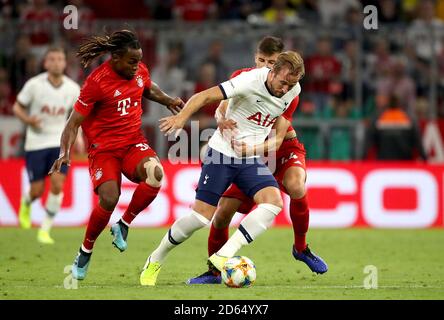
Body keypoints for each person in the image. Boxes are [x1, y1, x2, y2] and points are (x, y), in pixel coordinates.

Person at [140, 51, 305, 286]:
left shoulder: (293, 91)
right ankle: (155, 258)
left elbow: (278, 139)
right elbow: (203, 96)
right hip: (221, 154)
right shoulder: (250, 81)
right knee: (199, 218)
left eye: (292, 84)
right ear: (273, 71)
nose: (286, 89)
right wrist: (182, 118)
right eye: (283, 82)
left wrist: (253, 148)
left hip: (249, 158)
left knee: (273, 202)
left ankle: (224, 254)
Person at [187, 36, 328, 285]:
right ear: (256, 58)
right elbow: (222, 105)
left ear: (282, 65)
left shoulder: (289, 88)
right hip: (249, 154)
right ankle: (214, 272)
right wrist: (221, 121)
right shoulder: (244, 78)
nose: (265, 66)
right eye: (262, 60)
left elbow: (278, 137)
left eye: (271, 62)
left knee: (296, 186)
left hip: (277, 148)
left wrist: (250, 147)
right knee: (222, 215)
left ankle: (301, 248)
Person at [49, 30, 184, 280]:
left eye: (138, 60)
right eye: (132, 61)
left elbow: (147, 86)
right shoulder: (96, 82)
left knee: (156, 173)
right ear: (116, 58)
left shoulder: (138, 70)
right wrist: (65, 152)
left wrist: (167, 100)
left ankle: (123, 224)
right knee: (110, 198)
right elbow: (72, 123)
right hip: (105, 150)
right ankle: (85, 251)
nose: (137, 66)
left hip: (133, 143)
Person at [13, 47, 81, 245]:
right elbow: (17, 107)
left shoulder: (72, 88)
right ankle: (26, 202)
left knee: (58, 185)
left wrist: (79, 139)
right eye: (52, 59)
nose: (57, 62)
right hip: (36, 143)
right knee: (37, 190)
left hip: (60, 144)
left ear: (64, 63)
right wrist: (28, 120)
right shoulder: (34, 85)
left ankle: (45, 229)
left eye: (60, 59)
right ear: (46, 63)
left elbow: (76, 118)